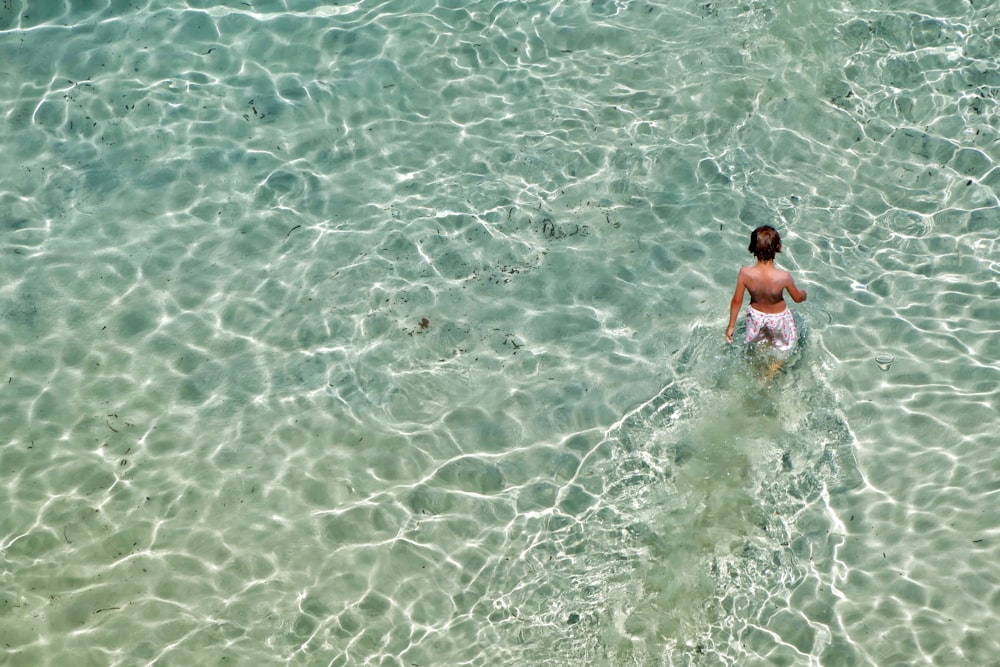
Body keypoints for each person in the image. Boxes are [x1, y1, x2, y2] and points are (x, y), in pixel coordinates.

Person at [725, 225, 807, 355]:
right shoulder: (783, 277)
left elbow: (736, 301)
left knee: (760, 347)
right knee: (782, 349)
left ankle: (760, 370)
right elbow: (797, 299)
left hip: (756, 317)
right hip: (779, 319)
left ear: (752, 247)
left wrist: (731, 326)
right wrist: (803, 294)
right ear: (778, 247)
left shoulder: (744, 273)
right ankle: (771, 372)